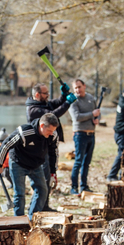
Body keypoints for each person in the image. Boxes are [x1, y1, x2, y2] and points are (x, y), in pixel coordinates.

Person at [0, 113, 59, 220]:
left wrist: (53, 172)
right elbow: (6, 145)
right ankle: (19, 221)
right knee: (20, 194)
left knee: (43, 190)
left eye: (53, 130)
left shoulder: (53, 135)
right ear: (42, 125)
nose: (52, 133)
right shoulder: (24, 132)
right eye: (49, 130)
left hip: (36, 165)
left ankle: (32, 218)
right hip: (18, 163)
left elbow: (54, 153)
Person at [26, 83, 76, 211]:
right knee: (43, 178)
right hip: (40, 147)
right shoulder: (33, 109)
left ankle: (45, 205)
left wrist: (63, 96)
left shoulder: (43, 103)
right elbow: (53, 114)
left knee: (47, 176)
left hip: (49, 144)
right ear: (37, 94)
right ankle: (39, 207)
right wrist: (68, 103)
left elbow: (56, 103)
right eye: (45, 93)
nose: (48, 95)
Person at [69, 79, 101, 195]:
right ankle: (74, 187)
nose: (77, 89)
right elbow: (76, 117)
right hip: (79, 134)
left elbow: (97, 112)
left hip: (91, 134)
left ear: (84, 86)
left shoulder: (90, 98)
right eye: (75, 88)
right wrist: (92, 114)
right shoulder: (73, 100)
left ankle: (84, 186)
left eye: (79, 87)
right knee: (78, 161)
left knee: (86, 162)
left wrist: (97, 119)